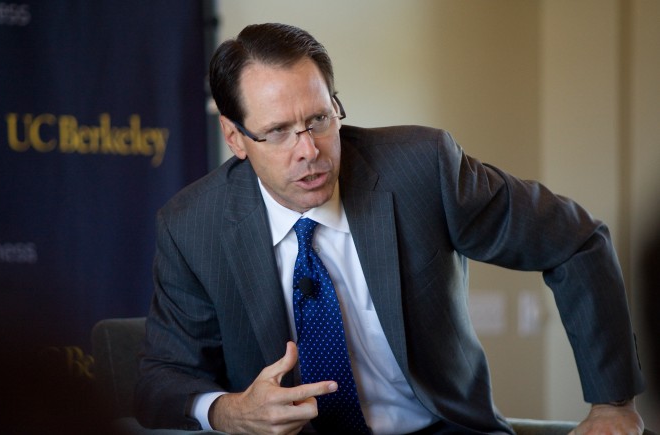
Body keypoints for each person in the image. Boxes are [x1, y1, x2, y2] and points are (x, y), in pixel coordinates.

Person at [135, 23, 646, 434]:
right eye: (277, 133)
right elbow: (161, 379)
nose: (309, 150)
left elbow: (576, 239)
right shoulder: (191, 227)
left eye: (318, 119)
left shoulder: (422, 169)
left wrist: (612, 402)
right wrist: (230, 412)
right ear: (235, 137)